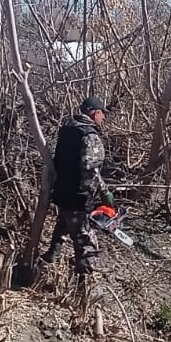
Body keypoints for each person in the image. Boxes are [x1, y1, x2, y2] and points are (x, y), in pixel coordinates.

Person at [41, 95, 110, 276]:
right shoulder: (89, 135)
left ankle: (49, 260)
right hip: (77, 196)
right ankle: (84, 279)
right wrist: (103, 193)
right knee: (86, 240)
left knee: (63, 224)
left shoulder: (66, 130)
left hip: (61, 190)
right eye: (102, 114)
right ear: (95, 113)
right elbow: (90, 169)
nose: (103, 118)